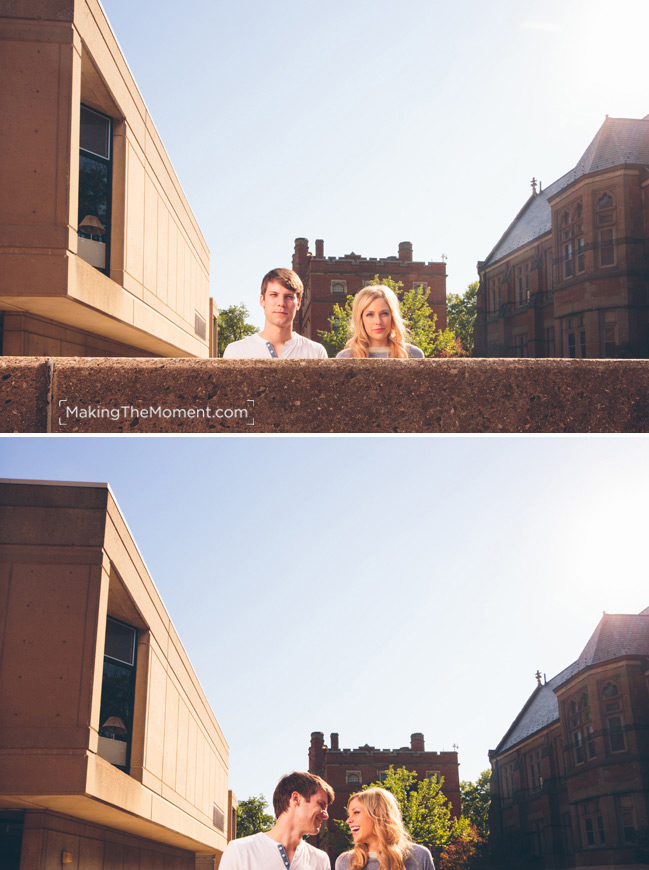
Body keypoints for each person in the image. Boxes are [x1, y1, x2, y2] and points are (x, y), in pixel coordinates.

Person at [220, 771, 334, 870]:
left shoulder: (321, 860)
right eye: (321, 804)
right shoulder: (239, 851)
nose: (326, 815)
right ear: (296, 799)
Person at [222, 268, 328, 359]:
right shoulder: (235, 352)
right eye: (274, 295)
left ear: (298, 303)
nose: (281, 303)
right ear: (262, 300)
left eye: (289, 297)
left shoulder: (316, 353)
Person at [335, 788, 435, 870]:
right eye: (349, 815)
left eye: (356, 812)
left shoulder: (419, 855)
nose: (348, 820)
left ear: (378, 814)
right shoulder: (344, 861)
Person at [335, 285, 424, 359]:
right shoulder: (345, 357)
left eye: (384, 313)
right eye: (370, 314)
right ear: (360, 319)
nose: (378, 321)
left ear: (392, 316)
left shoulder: (413, 354)